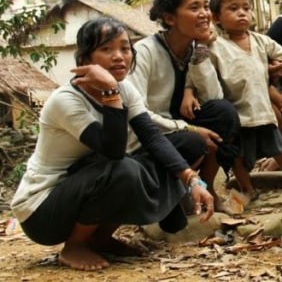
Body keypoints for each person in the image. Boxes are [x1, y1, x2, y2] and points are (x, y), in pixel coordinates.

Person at [10, 18, 214, 271]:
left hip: (87, 181)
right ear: (84, 59)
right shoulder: (66, 100)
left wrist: (192, 180)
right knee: (124, 168)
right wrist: (110, 92)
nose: (119, 56)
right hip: (43, 211)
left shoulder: (124, 88)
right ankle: (74, 246)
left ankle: (100, 238)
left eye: (125, 48)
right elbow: (113, 150)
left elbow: (151, 136)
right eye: (106, 49)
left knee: (189, 143)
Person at [128, 0, 241, 210]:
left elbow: (213, 96)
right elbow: (137, 113)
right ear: (170, 18)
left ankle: (206, 187)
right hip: (147, 136)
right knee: (193, 141)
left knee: (224, 113)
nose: (204, 14)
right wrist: (188, 128)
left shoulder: (194, 48)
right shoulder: (144, 52)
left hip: (177, 126)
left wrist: (201, 49)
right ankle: (175, 193)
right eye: (194, 8)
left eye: (206, 6)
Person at [183, 0, 282, 198]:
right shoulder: (215, 46)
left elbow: (281, 55)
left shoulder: (260, 41)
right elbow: (196, 71)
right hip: (238, 114)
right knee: (238, 157)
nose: (242, 13)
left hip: (263, 111)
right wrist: (190, 88)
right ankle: (248, 189)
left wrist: (277, 65)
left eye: (246, 8)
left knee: (279, 149)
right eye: (233, 9)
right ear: (216, 17)